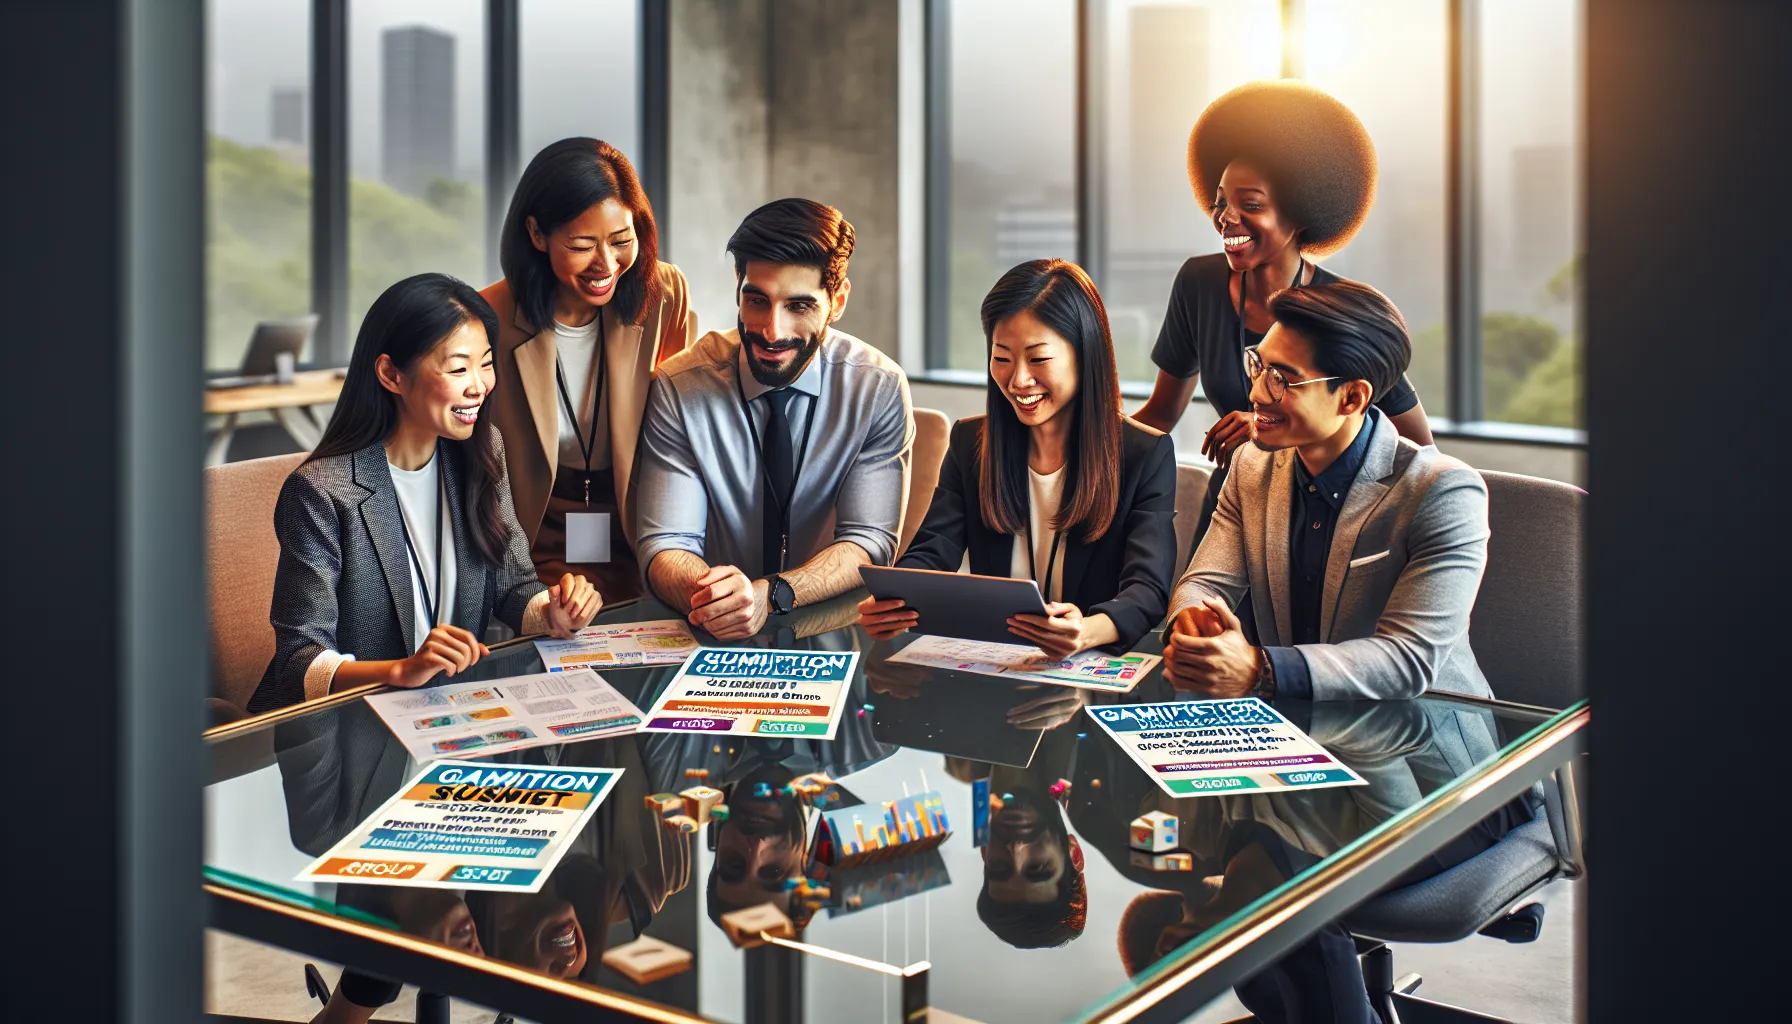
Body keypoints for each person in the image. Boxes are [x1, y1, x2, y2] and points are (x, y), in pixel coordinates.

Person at [248, 274, 602, 714]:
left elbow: (513, 586)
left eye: (486, 363)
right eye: (458, 368)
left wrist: (552, 612)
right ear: (391, 374)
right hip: (345, 737)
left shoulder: (482, 450)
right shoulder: (321, 491)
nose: (479, 385)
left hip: (447, 715)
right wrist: (397, 670)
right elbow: (299, 662)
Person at [1132, 80, 1434, 549]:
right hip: (1231, 506)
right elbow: (1161, 414)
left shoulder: (1344, 309)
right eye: (1220, 202)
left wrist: (1273, 424)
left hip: (1321, 516)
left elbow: (1417, 449)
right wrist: (1086, 443)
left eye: (1249, 205)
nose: (1225, 218)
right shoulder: (1199, 284)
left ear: (1299, 216)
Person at [1163, 280, 1491, 703]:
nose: (1257, 392)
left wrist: (1259, 668)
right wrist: (1193, 623)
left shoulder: (1444, 492)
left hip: (1425, 742)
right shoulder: (1251, 465)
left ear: (1352, 398)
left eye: (1282, 379)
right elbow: (1204, 582)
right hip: (1299, 729)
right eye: (1258, 366)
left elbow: (1407, 659)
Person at [858, 259, 1177, 658]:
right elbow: (933, 549)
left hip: (1092, 677)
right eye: (1002, 357)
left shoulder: (1145, 454)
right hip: (995, 672)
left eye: (1038, 358)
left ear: (1085, 354)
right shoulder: (970, 442)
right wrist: (895, 599)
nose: (1017, 380)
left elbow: (1148, 589)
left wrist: (1086, 630)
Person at [634, 198, 915, 639]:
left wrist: (769, 593)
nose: (772, 331)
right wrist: (719, 597)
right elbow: (665, 545)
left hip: (832, 636)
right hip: (708, 630)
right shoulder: (679, 384)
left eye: (799, 307)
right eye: (757, 301)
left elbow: (869, 541)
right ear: (738, 287)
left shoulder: (878, 387)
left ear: (837, 300)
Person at [481, 138, 696, 602]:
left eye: (622, 241)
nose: (606, 264)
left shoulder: (664, 294)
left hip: (640, 521)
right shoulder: (488, 317)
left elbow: (684, 419)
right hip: (531, 530)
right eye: (582, 245)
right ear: (537, 235)